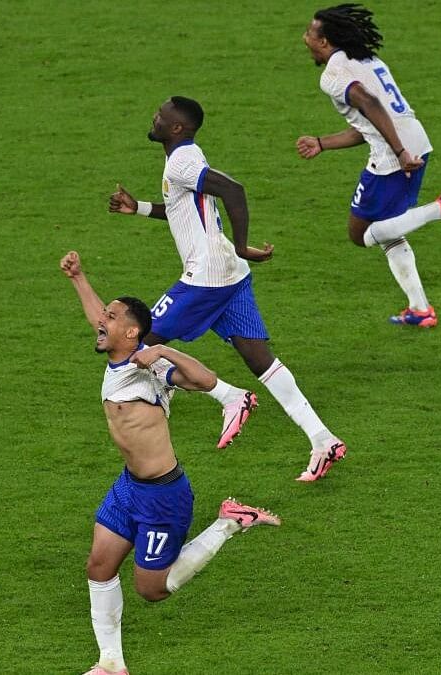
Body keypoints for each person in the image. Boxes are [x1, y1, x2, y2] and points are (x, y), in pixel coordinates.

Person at [59, 250, 281, 675]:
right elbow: (97, 320)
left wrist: (164, 352)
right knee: (99, 565)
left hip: (164, 495)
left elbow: (204, 380)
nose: (101, 321)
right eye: (104, 315)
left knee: (153, 590)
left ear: (133, 332)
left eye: (112, 317)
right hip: (129, 487)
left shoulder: (151, 368)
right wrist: (79, 278)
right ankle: (110, 664)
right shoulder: (118, 354)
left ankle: (229, 523)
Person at [109, 96, 347, 482]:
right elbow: (179, 210)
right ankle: (323, 439)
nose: (153, 118)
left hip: (206, 276)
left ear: (176, 129)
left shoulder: (183, 160)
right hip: (230, 275)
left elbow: (234, 191)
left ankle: (227, 397)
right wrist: (136, 207)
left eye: (160, 117)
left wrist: (241, 244)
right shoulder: (182, 158)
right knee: (260, 360)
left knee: (137, 338)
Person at [296, 3, 441, 328]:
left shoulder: (334, 75)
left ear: (324, 42)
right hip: (415, 141)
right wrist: (322, 143)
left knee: (361, 233)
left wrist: (399, 152)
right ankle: (420, 309)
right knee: (391, 229)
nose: (304, 37)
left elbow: (369, 103)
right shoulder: (367, 59)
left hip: (395, 156)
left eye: (309, 33)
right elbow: (368, 123)